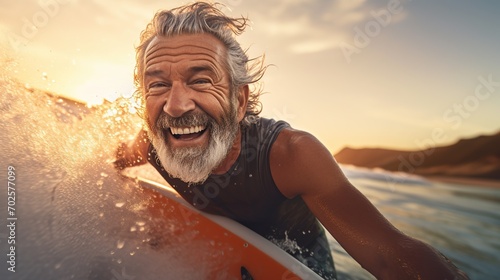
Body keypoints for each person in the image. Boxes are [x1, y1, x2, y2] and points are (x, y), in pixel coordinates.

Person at [114, 2, 469, 279]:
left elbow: (388, 255)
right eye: (157, 84)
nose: (175, 107)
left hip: (299, 263)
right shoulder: (150, 143)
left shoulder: (289, 155)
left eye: (202, 81)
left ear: (239, 102)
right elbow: (111, 163)